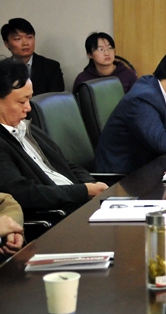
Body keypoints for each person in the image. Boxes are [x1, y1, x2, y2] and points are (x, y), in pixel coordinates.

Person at [0, 59, 107, 213]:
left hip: (80, 204)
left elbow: (64, 164)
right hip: (57, 215)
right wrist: (83, 191)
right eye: (22, 101)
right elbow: (23, 193)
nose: (28, 108)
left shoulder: (27, 128)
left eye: (29, 99)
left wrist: (91, 184)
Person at [1, 18, 64, 96]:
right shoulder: (2, 69)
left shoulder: (51, 67)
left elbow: (57, 99)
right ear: (6, 43)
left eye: (29, 37)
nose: (25, 43)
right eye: (18, 39)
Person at [72, 32, 138, 93]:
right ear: (90, 55)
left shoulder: (129, 75)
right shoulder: (82, 79)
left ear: (114, 51)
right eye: (101, 49)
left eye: (110, 48)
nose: (107, 53)